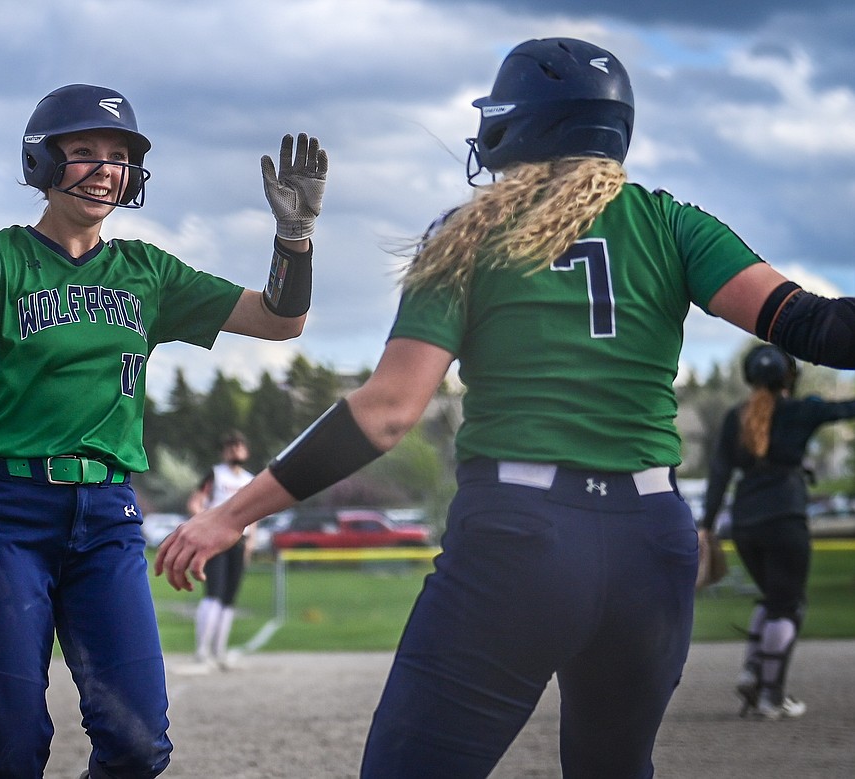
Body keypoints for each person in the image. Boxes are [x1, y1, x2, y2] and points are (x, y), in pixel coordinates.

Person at [155, 37, 855, 778]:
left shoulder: (470, 233)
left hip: (522, 538)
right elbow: (817, 327)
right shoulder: (671, 223)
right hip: (653, 542)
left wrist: (234, 511)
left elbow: (389, 411)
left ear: (525, 127)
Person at [0, 84, 327, 779]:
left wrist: (294, 240)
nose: (105, 168)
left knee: (138, 743)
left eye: (120, 157)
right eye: (85, 150)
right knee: (12, 740)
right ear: (42, 161)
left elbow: (280, 320)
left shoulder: (145, 271)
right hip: (6, 514)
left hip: (107, 517)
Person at [701, 344, 855, 720]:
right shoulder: (803, 410)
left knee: (773, 598)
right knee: (789, 605)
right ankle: (771, 696)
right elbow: (847, 409)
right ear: (791, 376)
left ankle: (753, 670)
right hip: (785, 518)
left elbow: (720, 474)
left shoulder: (736, 417)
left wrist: (706, 524)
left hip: (745, 522)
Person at [184, 430, 257, 672]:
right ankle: (202, 651)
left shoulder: (249, 479)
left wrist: (251, 542)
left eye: (240, 445)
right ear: (224, 451)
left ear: (246, 450)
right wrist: (207, 523)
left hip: (239, 541)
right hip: (216, 541)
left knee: (228, 599)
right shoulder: (216, 475)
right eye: (231, 446)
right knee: (213, 594)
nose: (236, 449)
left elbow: (254, 513)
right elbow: (195, 502)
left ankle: (219, 651)